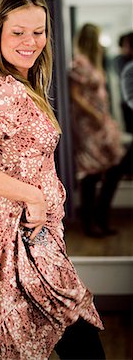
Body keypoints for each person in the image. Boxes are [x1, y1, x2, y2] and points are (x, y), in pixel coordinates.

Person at [0, 0, 105, 360]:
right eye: (18, 32)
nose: (31, 41)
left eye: (38, 32)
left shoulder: (19, 85)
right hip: (16, 244)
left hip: (34, 239)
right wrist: (33, 196)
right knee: (81, 342)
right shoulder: (4, 91)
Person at [69, 23, 125, 237]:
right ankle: (90, 223)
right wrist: (93, 113)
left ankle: (101, 218)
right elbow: (75, 95)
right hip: (88, 125)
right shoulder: (80, 63)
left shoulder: (95, 63)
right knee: (91, 173)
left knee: (113, 166)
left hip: (101, 123)